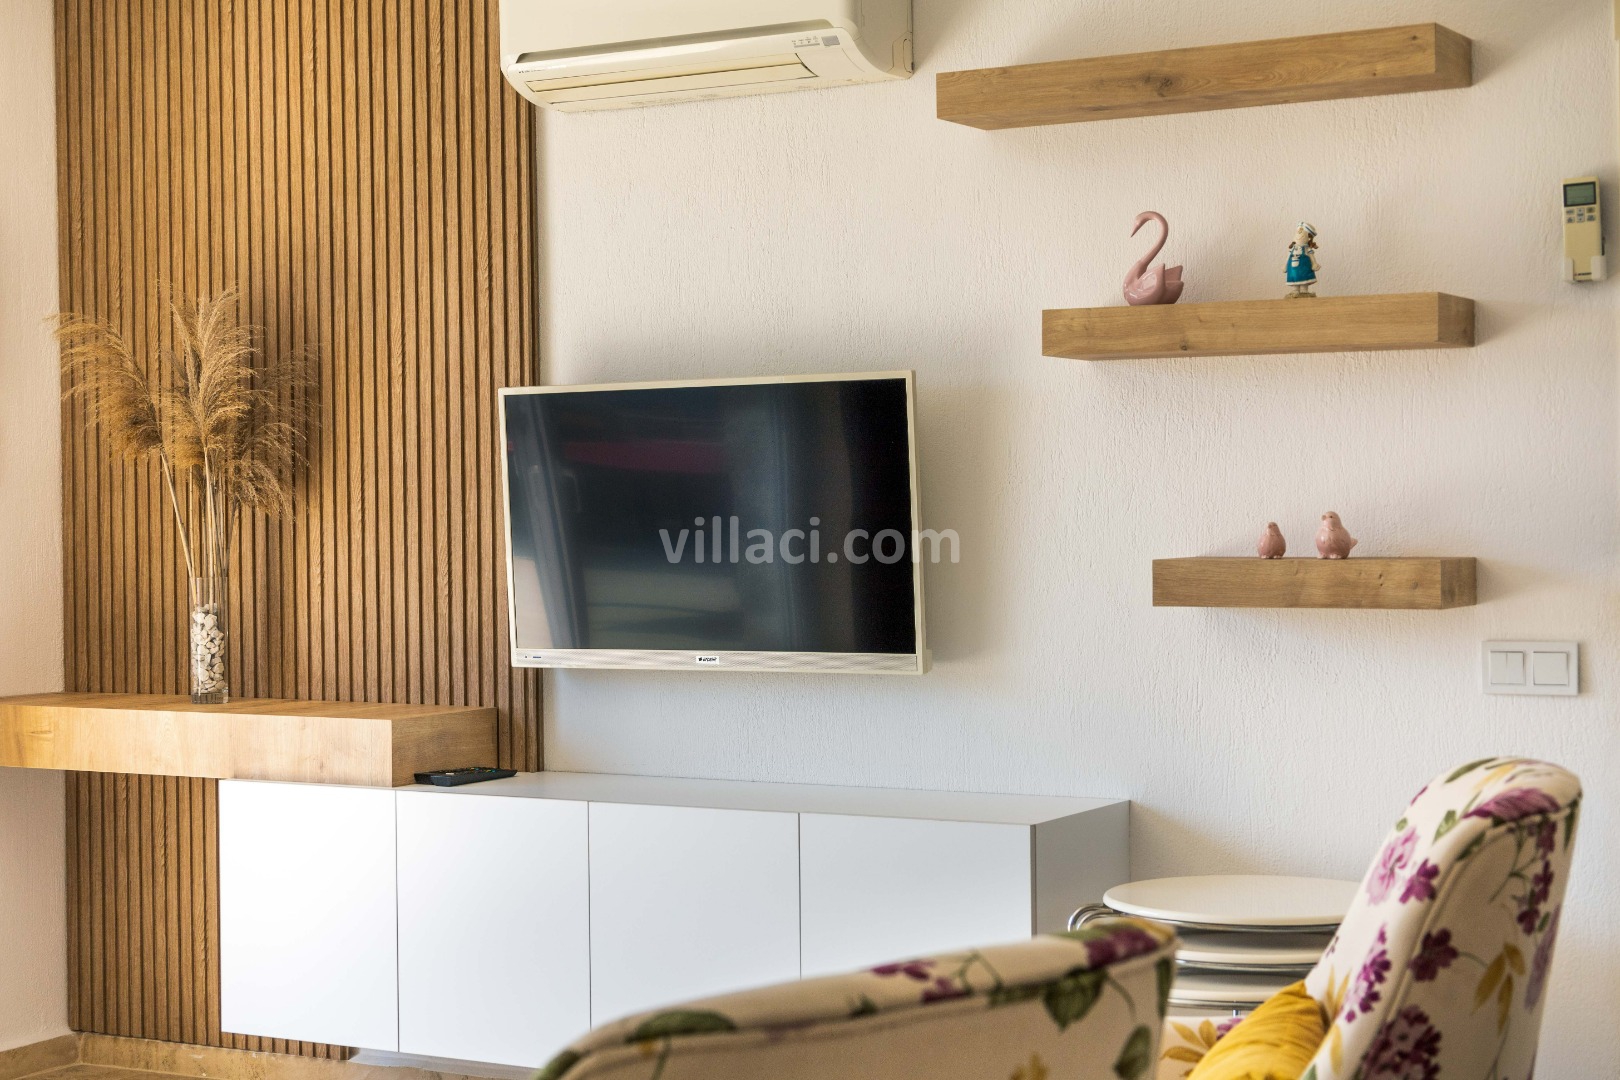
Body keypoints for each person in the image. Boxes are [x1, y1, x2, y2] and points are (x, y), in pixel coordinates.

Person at [1286, 222, 1320, 298]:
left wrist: (1314, 264)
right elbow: (1288, 257)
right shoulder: (1292, 248)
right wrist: (1285, 266)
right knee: (1294, 278)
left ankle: (1304, 291)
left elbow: (1311, 256)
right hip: (1293, 269)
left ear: (1309, 238)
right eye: (1298, 234)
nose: (1299, 236)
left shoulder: (1307, 249)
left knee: (1304, 279)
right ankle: (1295, 291)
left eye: (1302, 235)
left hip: (1304, 267)